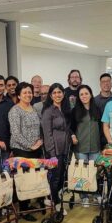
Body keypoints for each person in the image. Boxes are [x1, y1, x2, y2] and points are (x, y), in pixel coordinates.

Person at [8, 82, 43, 222]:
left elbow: (37, 127)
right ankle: (23, 209)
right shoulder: (15, 111)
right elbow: (15, 133)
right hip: (21, 149)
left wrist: (40, 141)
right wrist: (31, 146)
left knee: (32, 179)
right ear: (18, 95)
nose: (28, 95)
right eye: (25, 93)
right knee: (23, 180)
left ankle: (28, 205)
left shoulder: (33, 108)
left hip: (35, 149)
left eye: (30, 92)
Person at [41, 83, 72, 211]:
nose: (57, 95)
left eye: (59, 92)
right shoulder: (48, 111)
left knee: (62, 177)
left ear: (63, 94)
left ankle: (54, 198)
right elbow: (47, 134)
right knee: (55, 178)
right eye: (54, 93)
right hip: (54, 150)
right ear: (50, 95)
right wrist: (52, 153)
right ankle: (56, 203)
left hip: (65, 149)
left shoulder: (65, 109)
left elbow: (68, 128)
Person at [71, 85, 102, 206]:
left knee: (95, 172)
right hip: (81, 147)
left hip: (95, 146)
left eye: (86, 93)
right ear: (79, 97)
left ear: (91, 94)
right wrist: (73, 136)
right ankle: (84, 196)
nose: (84, 96)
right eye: (81, 94)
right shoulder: (75, 111)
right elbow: (71, 128)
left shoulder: (97, 109)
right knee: (83, 173)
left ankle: (95, 194)